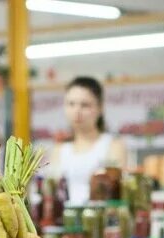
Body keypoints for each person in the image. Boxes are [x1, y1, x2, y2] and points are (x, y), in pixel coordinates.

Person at [51, 76, 128, 205]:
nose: (77, 111)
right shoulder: (59, 149)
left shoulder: (114, 146)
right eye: (71, 104)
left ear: (100, 108)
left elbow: (116, 193)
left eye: (85, 105)